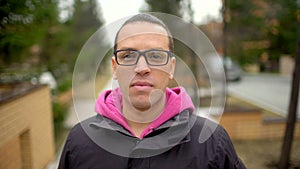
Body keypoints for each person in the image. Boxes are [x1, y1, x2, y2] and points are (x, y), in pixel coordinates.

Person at [58, 13, 246, 169]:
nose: (142, 67)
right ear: (114, 68)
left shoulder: (212, 143)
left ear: (171, 68)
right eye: (128, 55)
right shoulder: (79, 142)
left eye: (156, 56)